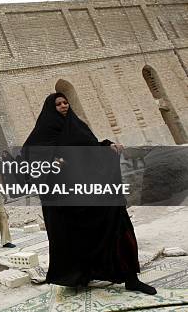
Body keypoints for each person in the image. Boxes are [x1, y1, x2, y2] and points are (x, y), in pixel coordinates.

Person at [22, 92, 156, 295]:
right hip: (66, 199)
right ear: (51, 109)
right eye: (58, 104)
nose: (64, 106)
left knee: (117, 224)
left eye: (66, 102)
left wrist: (108, 146)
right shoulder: (42, 134)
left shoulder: (78, 126)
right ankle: (80, 276)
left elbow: (91, 147)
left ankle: (130, 278)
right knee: (75, 237)